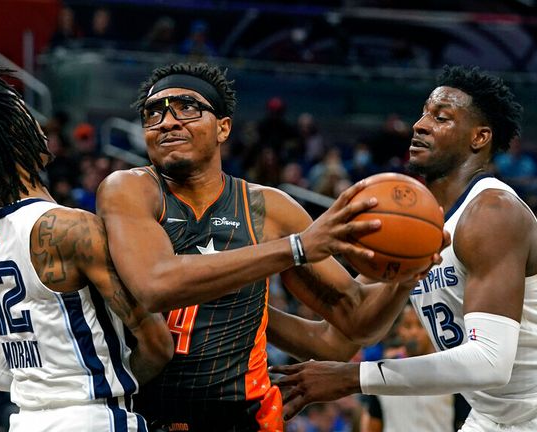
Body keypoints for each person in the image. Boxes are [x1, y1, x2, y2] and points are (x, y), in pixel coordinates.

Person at [96, 62, 446, 431]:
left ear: (223, 128)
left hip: (244, 420)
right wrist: (296, 248)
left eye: (187, 108)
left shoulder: (270, 210)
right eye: (153, 114)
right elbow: (155, 284)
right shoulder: (129, 189)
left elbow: (355, 321)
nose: (167, 122)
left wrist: (407, 274)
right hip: (143, 418)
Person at [270, 66, 537, 431]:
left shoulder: (492, 212)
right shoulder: (422, 226)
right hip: (495, 416)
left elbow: (490, 361)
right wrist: (249, 312)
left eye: (441, 117)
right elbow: (338, 337)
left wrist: (354, 378)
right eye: (424, 113)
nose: (420, 125)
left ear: (480, 137)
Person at [0, 31, 173, 431]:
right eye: (28, 115)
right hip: (94, 418)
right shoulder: (70, 228)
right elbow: (158, 346)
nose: (39, 122)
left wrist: (47, 390)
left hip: (27, 421)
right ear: (13, 135)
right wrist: (86, 389)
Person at [359, 305, 470, 432]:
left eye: (420, 325)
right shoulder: (383, 373)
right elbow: (373, 423)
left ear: (431, 328)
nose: (414, 332)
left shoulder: (450, 373)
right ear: (399, 330)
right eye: (407, 326)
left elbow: (464, 421)